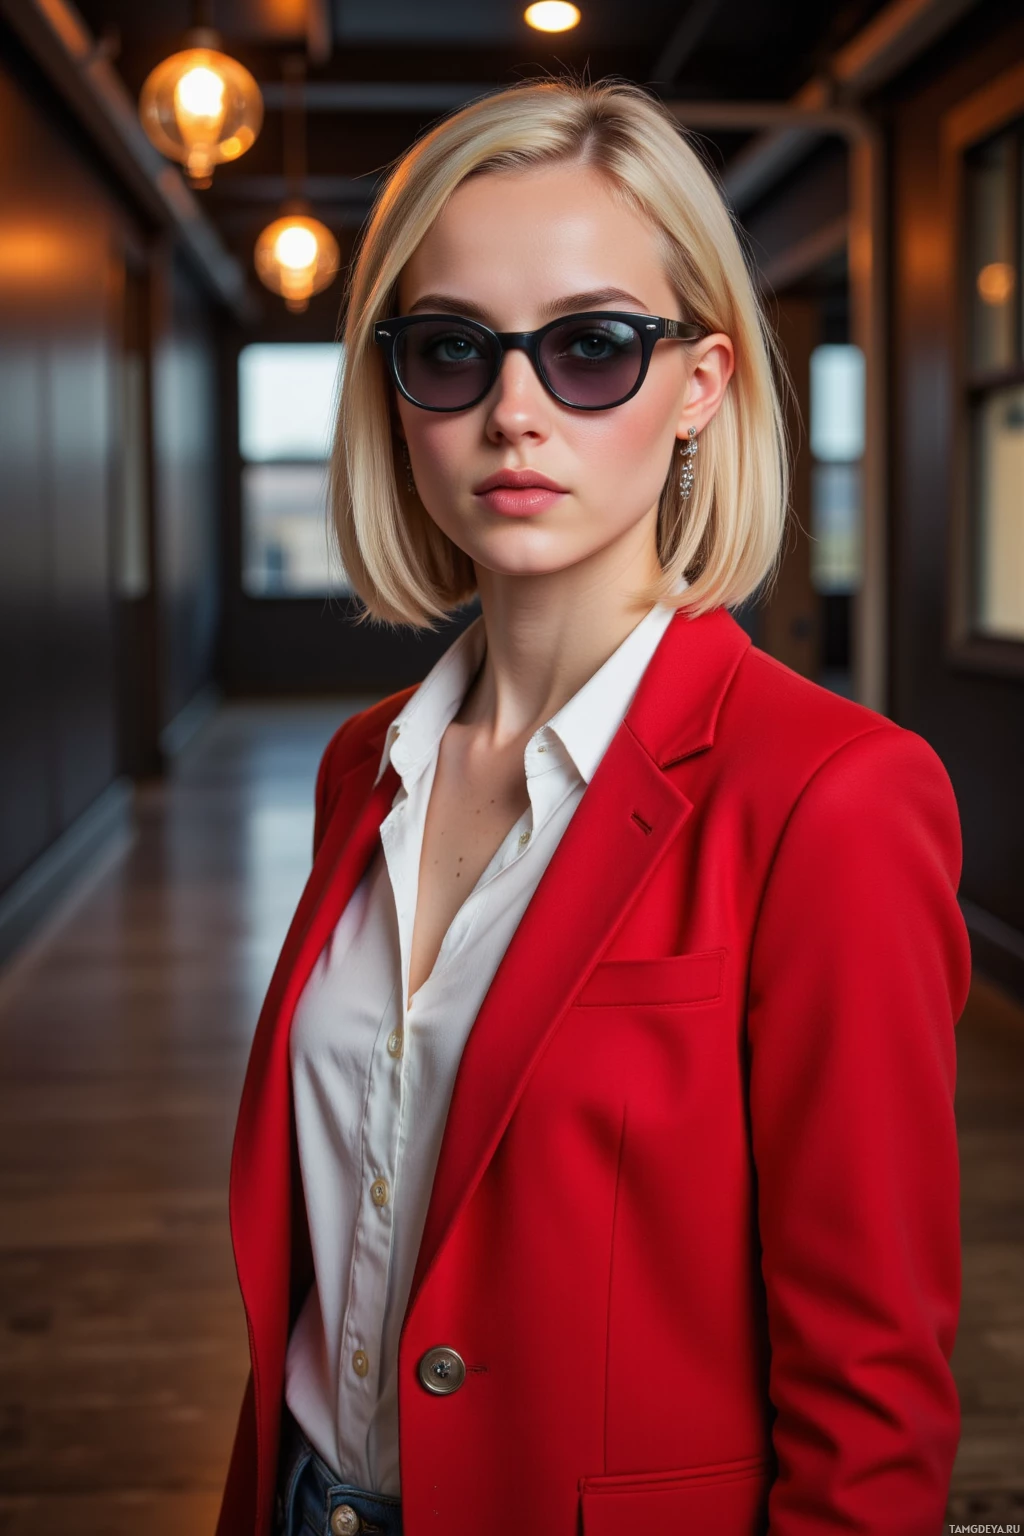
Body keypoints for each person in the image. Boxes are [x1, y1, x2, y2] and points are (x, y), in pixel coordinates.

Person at [216, 77, 971, 1536]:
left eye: (592, 347)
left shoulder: (833, 798)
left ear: (701, 383)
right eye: (453, 348)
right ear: (395, 391)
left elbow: (873, 1392)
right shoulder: (364, 765)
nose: (515, 413)